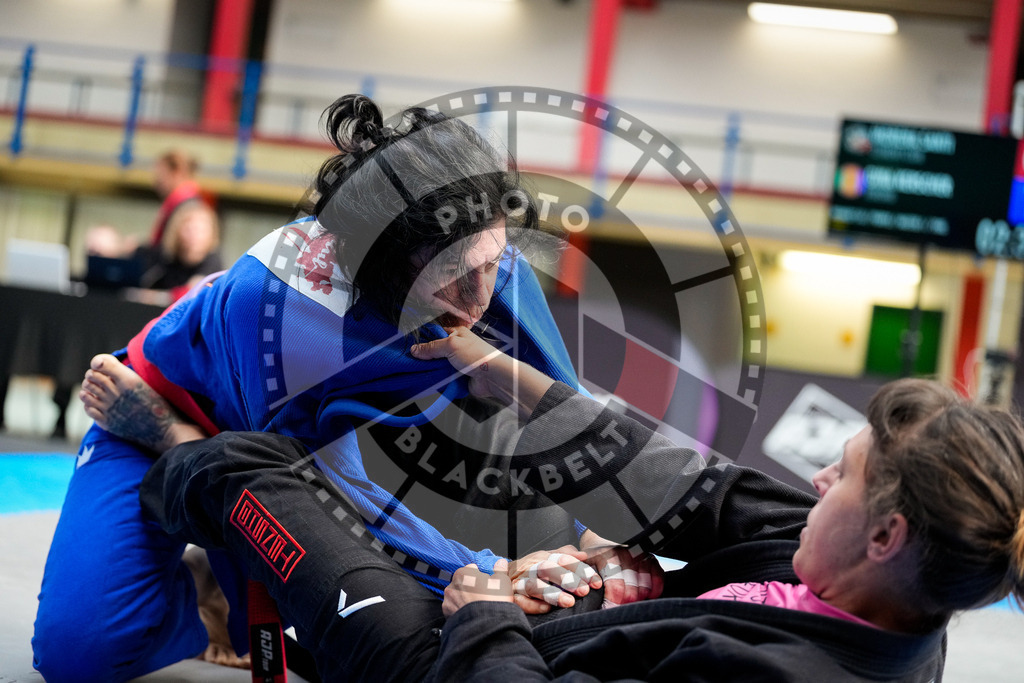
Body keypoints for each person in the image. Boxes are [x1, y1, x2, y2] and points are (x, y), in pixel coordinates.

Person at [32, 94, 599, 683]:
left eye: (493, 260)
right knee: (79, 655)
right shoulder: (284, 310)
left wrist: (605, 542)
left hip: (349, 426)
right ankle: (202, 598)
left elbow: (569, 422)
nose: (482, 299)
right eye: (454, 277)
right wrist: (487, 573)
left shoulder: (489, 259)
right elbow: (299, 498)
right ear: (379, 266)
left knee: (554, 559)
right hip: (160, 410)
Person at [80, 328, 1024, 682]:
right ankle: (237, 580)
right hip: (536, 631)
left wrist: (489, 624)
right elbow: (687, 482)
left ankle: (175, 455)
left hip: (462, 667)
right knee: (544, 543)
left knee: (298, 528)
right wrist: (508, 376)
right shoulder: (853, 570)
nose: (818, 482)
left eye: (843, 475)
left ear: (889, 532)